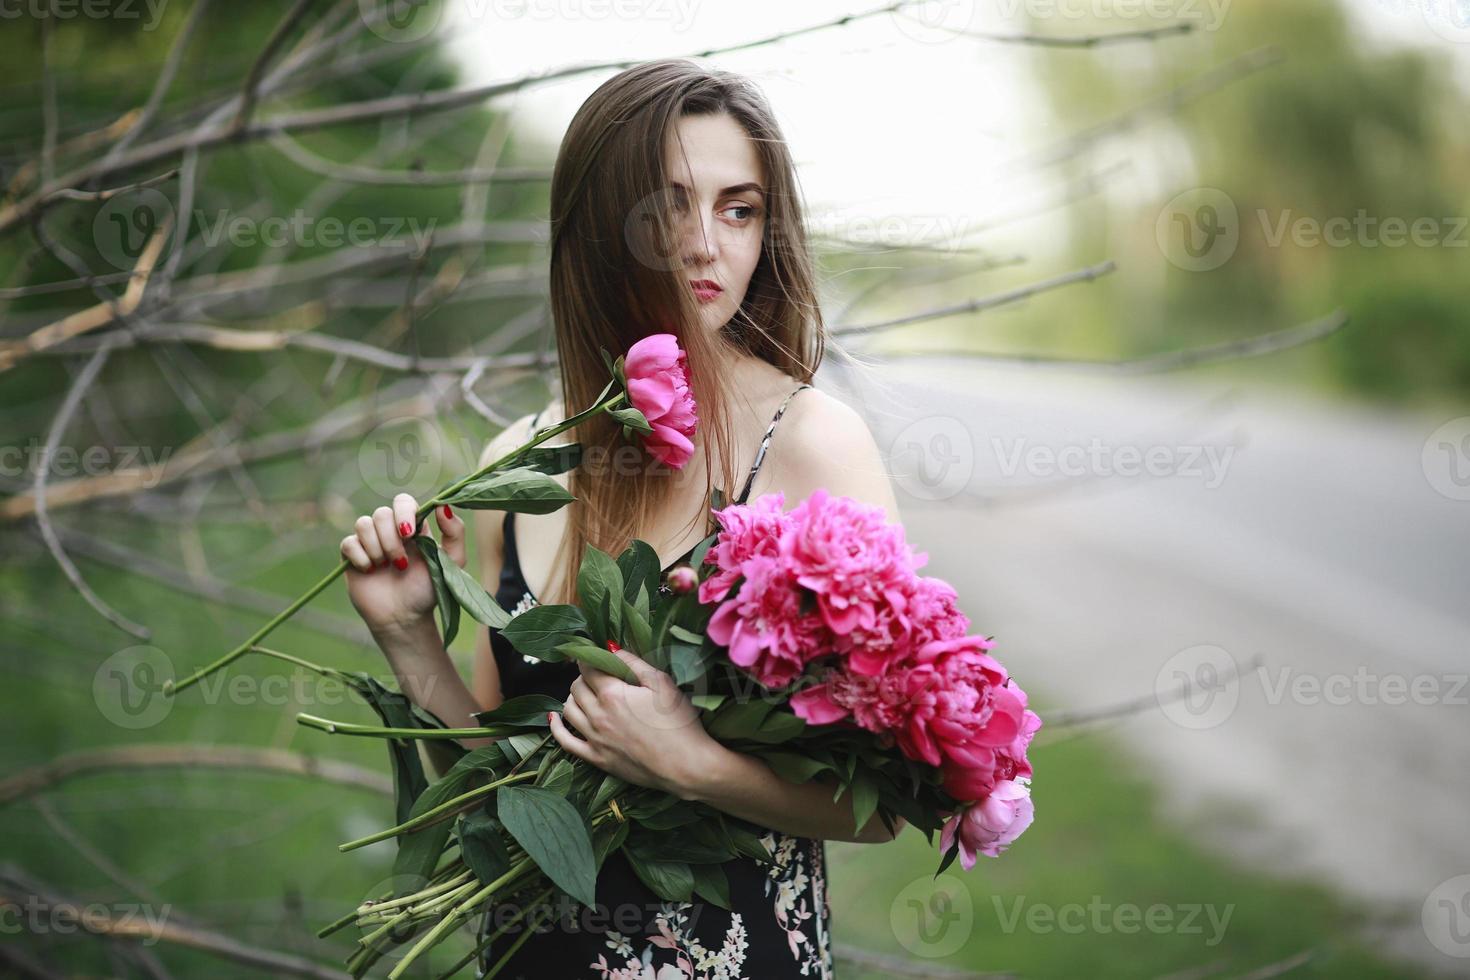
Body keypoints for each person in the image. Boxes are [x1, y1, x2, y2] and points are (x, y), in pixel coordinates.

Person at [340, 58, 905, 980]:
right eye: (671, 206)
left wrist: (691, 762)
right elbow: (501, 787)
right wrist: (409, 638)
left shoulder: (812, 447)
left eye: (740, 208)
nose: (706, 244)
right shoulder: (518, 462)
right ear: (603, 225)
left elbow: (883, 806)